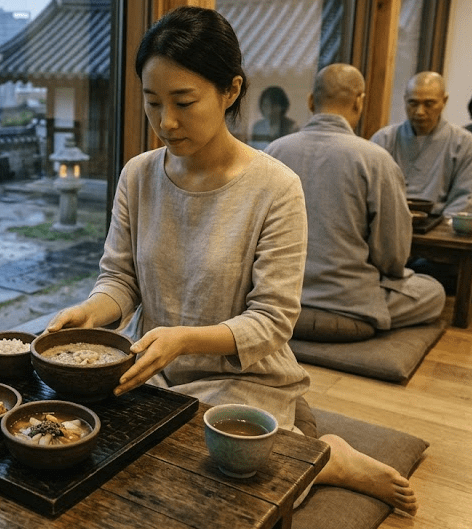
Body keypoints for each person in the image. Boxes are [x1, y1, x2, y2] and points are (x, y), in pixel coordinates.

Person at [45, 7, 417, 514]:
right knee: (92, 453)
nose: (166, 121)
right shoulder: (137, 175)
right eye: (152, 102)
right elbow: (120, 279)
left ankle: (327, 457)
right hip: (153, 369)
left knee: (216, 488)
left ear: (230, 90)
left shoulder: (276, 187)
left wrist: (184, 339)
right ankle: (302, 453)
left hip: (241, 378)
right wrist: (91, 311)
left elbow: (273, 320)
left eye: (184, 102)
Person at [265, 64, 444, 332]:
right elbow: (393, 257)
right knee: (433, 292)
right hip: (349, 304)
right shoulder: (376, 159)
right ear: (360, 101)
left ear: (311, 101)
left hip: (277, 299)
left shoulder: (273, 152)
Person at [371, 72, 472, 217]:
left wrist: (442, 226)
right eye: (413, 103)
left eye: (429, 104)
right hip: (388, 221)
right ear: (405, 100)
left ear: (444, 101)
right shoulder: (384, 139)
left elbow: (465, 197)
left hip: (438, 223)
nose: (419, 112)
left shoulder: (464, 143)